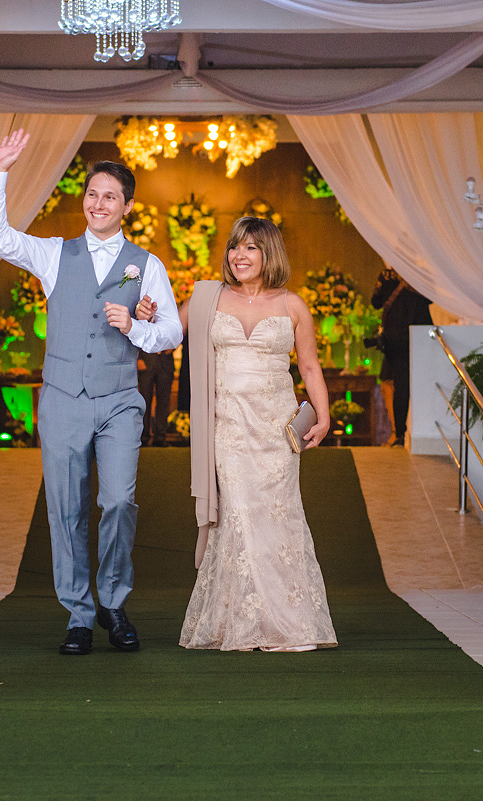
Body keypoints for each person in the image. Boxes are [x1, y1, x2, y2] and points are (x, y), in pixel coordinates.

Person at [0, 129, 183, 656]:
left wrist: (136, 329)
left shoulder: (147, 264)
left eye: (110, 196)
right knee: (66, 507)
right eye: (92, 194)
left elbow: (172, 333)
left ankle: (113, 601)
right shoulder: (53, 254)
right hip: (64, 398)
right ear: (85, 201)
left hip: (118, 399)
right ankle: (78, 612)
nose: (98, 203)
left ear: (127, 206)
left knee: (119, 500)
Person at [136, 217, 337, 652]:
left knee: (278, 516)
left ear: (270, 254)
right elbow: (167, 335)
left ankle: (286, 622)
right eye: (234, 247)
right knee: (240, 515)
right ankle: (238, 622)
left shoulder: (292, 304)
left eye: (251, 248)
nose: (239, 256)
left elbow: (308, 367)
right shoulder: (209, 298)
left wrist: (322, 414)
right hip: (228, 428)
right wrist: (146, 315)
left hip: (275, 432)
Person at [369, 266, 433, 448]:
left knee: (398, 386)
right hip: (420, 335)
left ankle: (399, 433)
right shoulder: (421, 272)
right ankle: (410, 433)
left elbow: (376, 301)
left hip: (394, 339)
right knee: (415, 385)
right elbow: (431, 298)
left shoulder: (387, 275)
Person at [137, 348, 175, 446]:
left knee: (164, 401)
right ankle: (143, 436)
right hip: (146, 361)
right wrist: (138, 358)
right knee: (144, 401)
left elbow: (178, 334)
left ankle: (160, 437)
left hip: (165, 362)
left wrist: (173, 346)